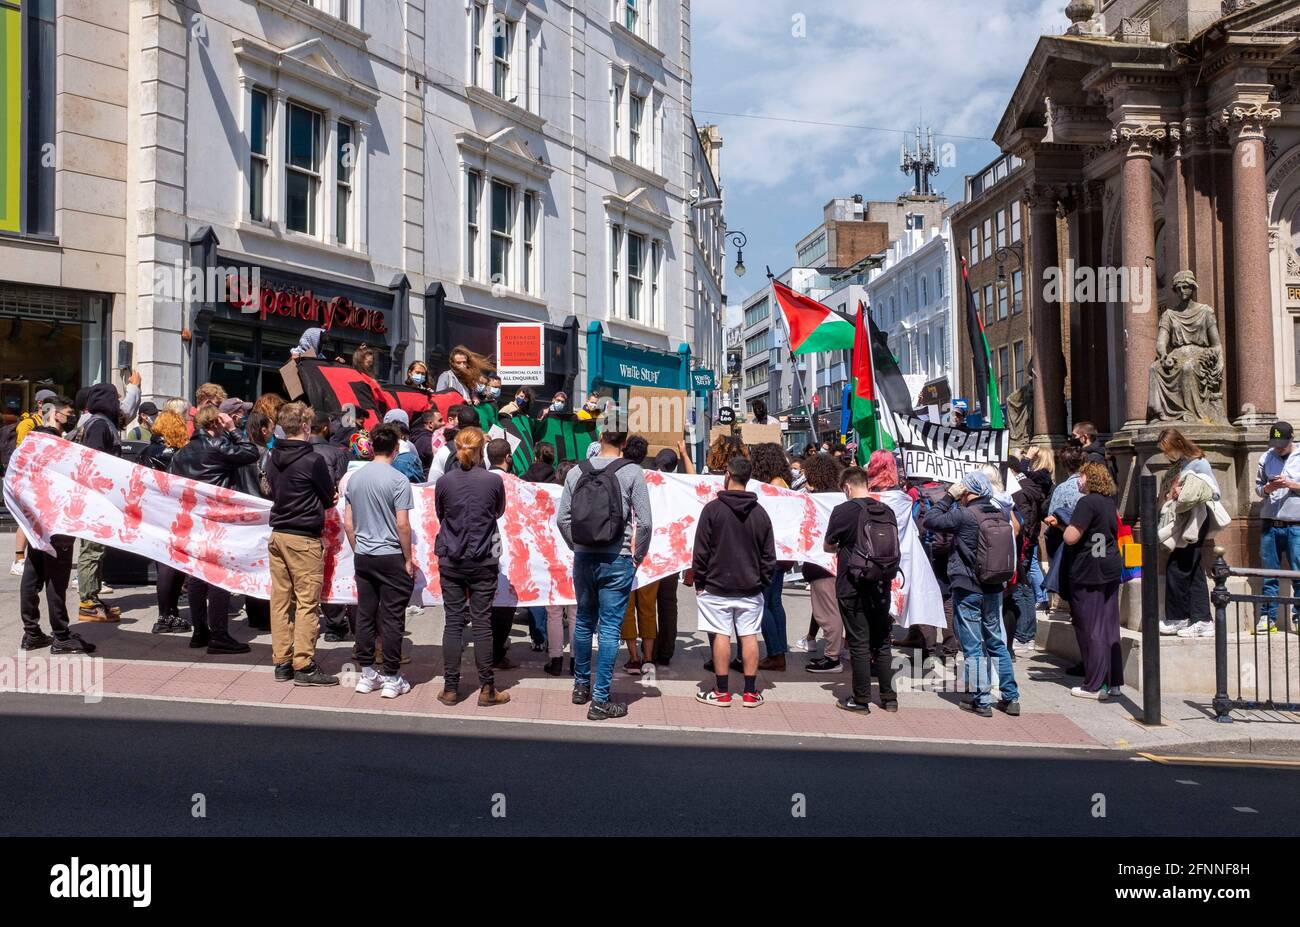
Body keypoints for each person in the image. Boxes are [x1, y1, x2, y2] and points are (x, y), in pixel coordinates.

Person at [557, 429, 652, 721]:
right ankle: (599, 700)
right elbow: (645, 522)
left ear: (599, 436)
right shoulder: (632, 472)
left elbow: (562, 518)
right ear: (625, 442)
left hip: (584, 558)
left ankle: (580, 686)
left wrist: (578, 546)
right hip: (617, 558)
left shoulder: (576, 471)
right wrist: (637, 556)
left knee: (584, 621)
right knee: (610, 629)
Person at [924, 469, 1020, 718]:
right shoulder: (998, 512)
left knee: (973, 645)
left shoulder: (965, 515)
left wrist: (948, 497)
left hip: (968, 587)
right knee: (996, 642)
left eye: (963, 491)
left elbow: (931, 520)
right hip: (994, 586)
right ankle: (1010, 697)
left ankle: (982, 699)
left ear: (969, 492)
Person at [168, 405, 261, 653]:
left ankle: (200, 631)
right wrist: (234, 430)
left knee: (197, 574)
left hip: (191, 519)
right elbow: (251, 453)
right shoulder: (217, 446)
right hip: (216, 519)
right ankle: (219, 634)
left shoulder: (181, 454)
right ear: (216, 424)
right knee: (218, 574)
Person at [432, 426, 511, 706]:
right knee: (482, 623)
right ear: (481, 451)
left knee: (453, 622)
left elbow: (440, 514)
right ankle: (487, 688)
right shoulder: (492, 481)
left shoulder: (444, 482)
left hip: (452, 558)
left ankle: (451, 687)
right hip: (483, 559)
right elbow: (498, 511)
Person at [264, 403, 339, 685]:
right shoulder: (313, 460)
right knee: (307, 603)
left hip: (278, 532)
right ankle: (304, 664)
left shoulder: (273, 457)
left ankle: (282, 661)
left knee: (280, 601)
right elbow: (328, 495)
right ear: (306, 426)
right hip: (303, 536)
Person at [693, 456, 776, 707]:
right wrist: (762, 581)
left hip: (716, 586)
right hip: (750, 586)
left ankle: (722, 691)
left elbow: (700, 551)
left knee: (720, 634)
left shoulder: (712, 509)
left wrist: (700, 581)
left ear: (727, 475)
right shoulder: (760, 513)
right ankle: (750, 692)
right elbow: (769, 556)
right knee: (749, 635)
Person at [344, 424, 417, 699]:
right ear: (396, 450)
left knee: (365, 613)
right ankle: (391, 676)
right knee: (393, 616)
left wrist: (358, 549)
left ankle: (366, 673)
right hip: (390, 555)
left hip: (364, 555)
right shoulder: (399, 480)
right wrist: (408, 558)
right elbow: (403, 524)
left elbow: (348, 523)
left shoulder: (354, 478)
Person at [824, 459, 900, 713]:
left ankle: (861, 699)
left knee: (858, 643)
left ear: (846, 487)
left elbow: (828, 545)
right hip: (882, 584)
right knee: (882, 642)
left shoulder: (842, 511)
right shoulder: (886, 511)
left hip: (852, 585)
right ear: (866, 484)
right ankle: (889, 698)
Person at [18, 395, 93, 654]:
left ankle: (31, 632)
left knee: (33, 572)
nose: (70, 417)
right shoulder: (55, 444)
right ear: (55, 414)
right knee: (56, 577)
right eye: (68, 413)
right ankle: (60, 635)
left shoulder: (31, 441)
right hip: (56, 520)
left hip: (36, 518)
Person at [1062, 461, 1125, 700]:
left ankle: (1095, 684)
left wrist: (1061, 524)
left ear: (1090, 479)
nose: (1080, 480)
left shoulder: (1086, 502)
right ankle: (1113, 681)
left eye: (1082, 476)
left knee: (1091, 627)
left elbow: (1071, 536)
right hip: (1109, 566)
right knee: (1109, 625)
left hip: (1089, 569)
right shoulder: (1109, 502)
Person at [1156, 428, 1222, 639]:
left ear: (1178, 445)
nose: (1167, 455)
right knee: (1193, 569)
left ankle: (1179, 617)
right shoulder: (1181, 465)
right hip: (1186, 522)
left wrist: (1182, 492)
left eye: (1168, 450)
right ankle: (1202, 619)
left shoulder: (1199, 463)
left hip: (1195, 521)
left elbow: (1214, 492)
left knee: (1178, 567)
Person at [72, 383, 126, 623]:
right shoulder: (99, 424)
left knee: (97, 549)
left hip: (99, 496)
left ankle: (93, 597)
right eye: (117, 397)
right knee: (91, 550)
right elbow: (94, 463)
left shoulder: (99, 422)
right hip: (96, 497)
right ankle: (88, 603)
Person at [143, 410, 192, 634]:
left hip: (152, 512)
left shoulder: (146, 451)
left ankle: (168, 613)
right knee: (171, 565)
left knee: (163, 563)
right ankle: (166, 615)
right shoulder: (179, 454)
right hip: (173, 512)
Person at [799, 452, 846, 673]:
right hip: (843, 562)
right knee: (840, 611)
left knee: (827, 614)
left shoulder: (813, 500)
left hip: (821, 563)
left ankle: (832, 657)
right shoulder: (842, 498)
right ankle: (840, 650)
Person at [6, 388, 61, 576]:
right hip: (28, 477)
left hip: (44, 477)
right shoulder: (28, 424)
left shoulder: (50, 422)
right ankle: (19, 558)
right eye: (48, 402)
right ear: (39, 403)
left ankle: (38, 555)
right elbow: (23, 450)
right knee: (25, 517)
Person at [649, 441, 695, 666]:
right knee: (668, 603)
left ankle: (649, 648)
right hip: (671, 554)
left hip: (649, 553)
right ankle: (666, 650)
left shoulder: (647, 482)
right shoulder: (680, 486)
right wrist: (685, 454)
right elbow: (695, 480)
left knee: (647, 604)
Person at [1255, 421, 1300, 634]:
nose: (1278, 448)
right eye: (1275, 444)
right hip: (1270, 524)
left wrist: (1291, 484)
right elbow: (1258, 489)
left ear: (1291, 439)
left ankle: (1299, 617)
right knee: (1269, 574)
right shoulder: (1266, 457)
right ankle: (1267, 617)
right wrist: (1267, 488)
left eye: (1282, 443)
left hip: (1296, 525)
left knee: (1298, 573)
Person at [619, 435, 657, 674]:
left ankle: (633, 657)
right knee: (648, 608)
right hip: (652, 554)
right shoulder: (655, 480)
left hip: (623, 551)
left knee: (626, 607)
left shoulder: (619, 475)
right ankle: (649, 658)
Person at [484, 436, 520, 669]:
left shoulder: (479, 480)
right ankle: (496, 654)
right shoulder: (516, 483)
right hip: (509, 551)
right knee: (505, 604)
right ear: (508, 457)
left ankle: (487, 652)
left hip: (484, 550)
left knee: (485, 603)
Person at [430, 406, 481, 481]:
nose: (443, 422)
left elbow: (432, 482)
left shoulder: (444, 450)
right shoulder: (486, 448)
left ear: (458, 424)